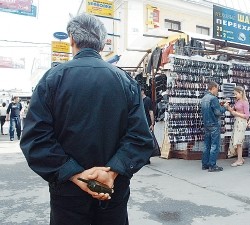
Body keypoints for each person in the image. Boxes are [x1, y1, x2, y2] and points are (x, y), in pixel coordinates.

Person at [20, 13, 153, 225]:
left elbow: (35, 139)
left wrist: (74, 174)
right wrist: (111, 173)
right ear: (102, 43)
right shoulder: (125, 81)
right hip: (112, 190)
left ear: (71, 39)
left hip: (67, 193)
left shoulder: (52, 79)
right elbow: (140, 137)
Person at [201, 81, 229, 172]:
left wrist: (219, 105)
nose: (218, 90)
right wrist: (225, 107)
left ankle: (205, 164)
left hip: (206, 124)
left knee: (206, 145)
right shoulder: (213, 98)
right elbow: (218, 112)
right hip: (214, 124)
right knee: (214, 145)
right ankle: (212, 165)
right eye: (217, 88)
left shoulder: (204, 98)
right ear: (213, 88)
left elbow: (210, 109)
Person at [227, 86, 250, 167]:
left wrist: (236, 114)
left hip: (241, 122)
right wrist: (227, 107)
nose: (235, 95)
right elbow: (232, 111)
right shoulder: (237, 101)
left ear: (240, 93)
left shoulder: (245, 102)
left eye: (236, 94)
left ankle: (239, 160)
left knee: (238, 141)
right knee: (236, 140)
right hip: (237, 122)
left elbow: (247, 115)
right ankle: (240, 158)